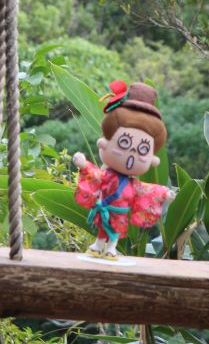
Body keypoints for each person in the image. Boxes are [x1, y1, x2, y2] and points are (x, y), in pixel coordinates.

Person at [73, 80, 175, 259]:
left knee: (114, 231)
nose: (132, 153)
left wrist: (163, 193)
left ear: (152, 159)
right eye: (124, 143)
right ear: (104, 143)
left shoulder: (133, 185)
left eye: (143, 149)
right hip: (105, 207)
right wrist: (84, 164)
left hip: (120, 214)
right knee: (103, 228)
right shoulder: (108, 175)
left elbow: (146, 190)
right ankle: (98, 245)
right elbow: (96, 175)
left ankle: (111, 248)